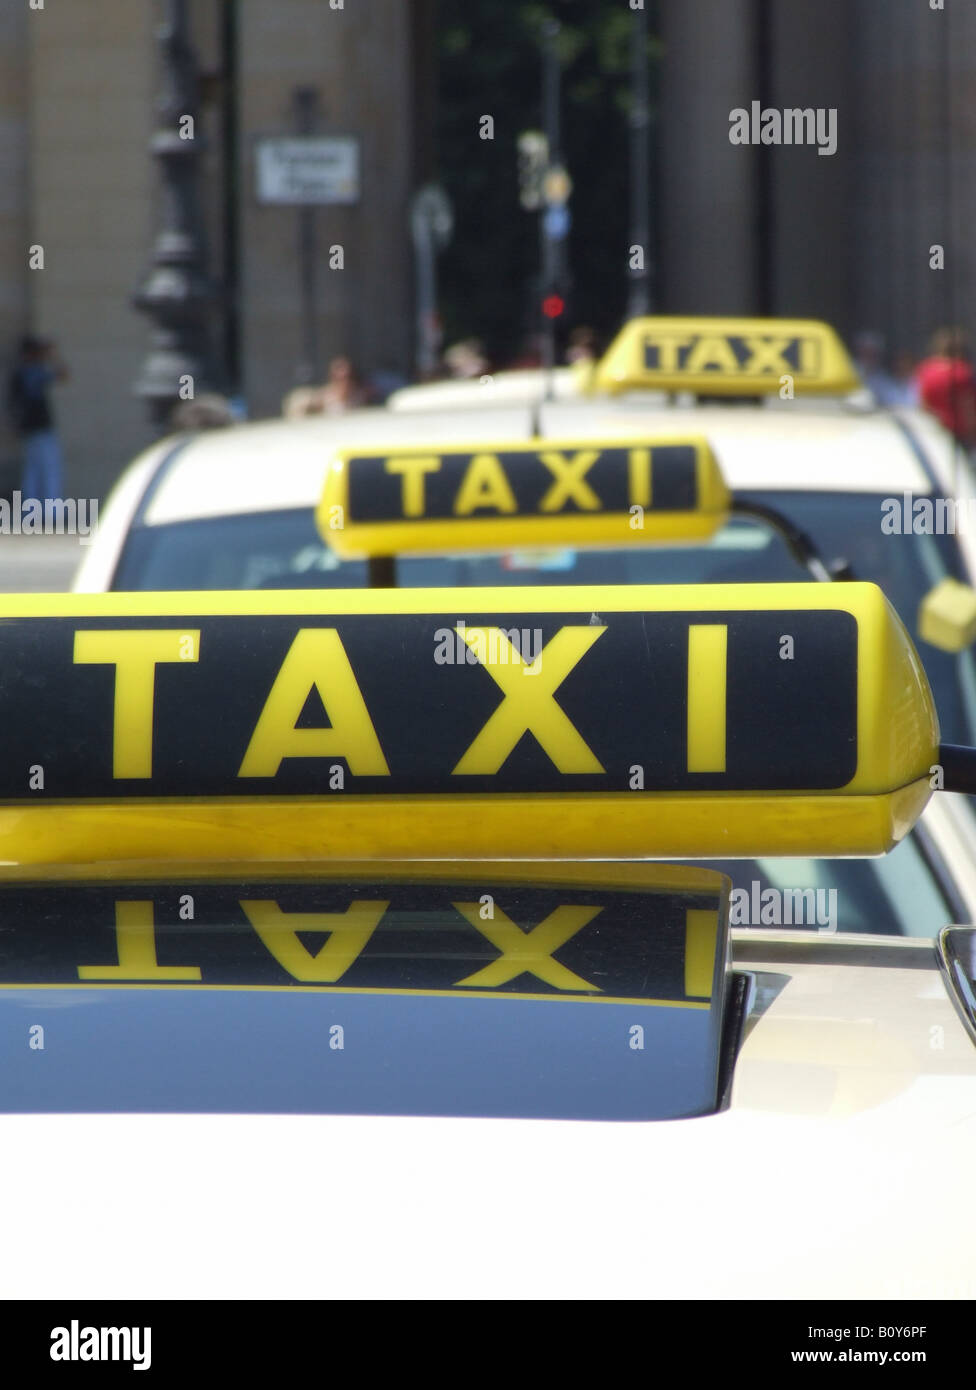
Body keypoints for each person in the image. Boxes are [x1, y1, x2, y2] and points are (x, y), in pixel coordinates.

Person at [7, 335, 68, 502]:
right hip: (41, 428)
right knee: (49, 470)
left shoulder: (20, 374)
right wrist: (53, 356)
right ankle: (51, 513)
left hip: (29, 430)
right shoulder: (32, 372)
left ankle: (30, 512)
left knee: (32, 472)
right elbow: (63, 375)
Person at [914, 326, 976, 447]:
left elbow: (922, 403)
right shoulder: (961, 371)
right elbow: (968, 408)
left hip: (933, 431)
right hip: (959, 432)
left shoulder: (925, 370)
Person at [282, 355, 372, 418]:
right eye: (338, 378)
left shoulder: (360, 396)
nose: (343, 381)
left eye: (347, 377)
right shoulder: (324, 397)